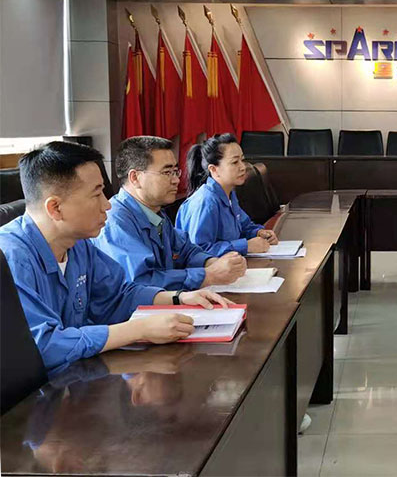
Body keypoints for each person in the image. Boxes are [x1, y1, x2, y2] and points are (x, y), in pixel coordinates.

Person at [0, 141, 232, 372]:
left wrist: (178, 298)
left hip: (74, 377)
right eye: (96, 194)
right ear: (55, 208)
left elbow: (117, 295)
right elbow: (42, 346)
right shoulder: (10, 257)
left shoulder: (78, 245)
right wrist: (138, 330)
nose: (107, 205)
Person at [92, 136, 246, 291]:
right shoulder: (115, 221)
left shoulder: (155, 213)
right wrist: (207, 275)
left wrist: (211, 262)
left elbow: (185, 250)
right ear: (135, 177)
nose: (176, 180)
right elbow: (141, 282)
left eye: (175, 171)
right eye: (167, 172)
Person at [176, 133, 278, 255]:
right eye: (235, 162)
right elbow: (199, 251)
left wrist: (259, 233)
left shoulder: (229, 193)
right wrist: (246, 246)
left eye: (242, 160)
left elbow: (244, 226)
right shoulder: (205, 202)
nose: (243, 167)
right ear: (214, 169)